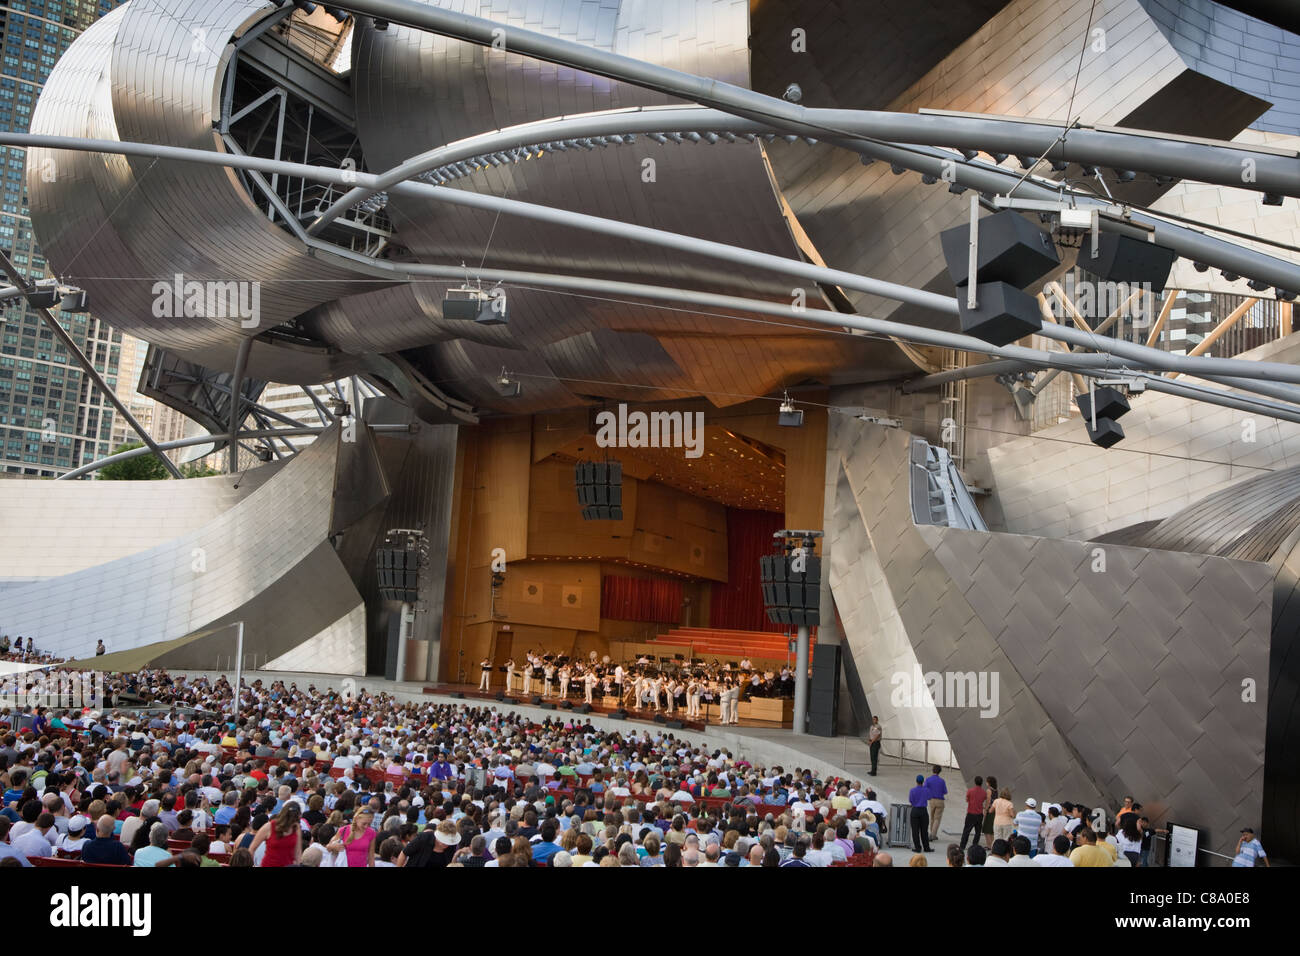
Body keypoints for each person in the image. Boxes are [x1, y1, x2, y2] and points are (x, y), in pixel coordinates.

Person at [251, 803, 303, 867]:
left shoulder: (296, 828)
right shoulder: (269, 826)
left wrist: (297, 864)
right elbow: (252, 848)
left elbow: (297, 852)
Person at [960, 775, 987, 851]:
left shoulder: (970, 791)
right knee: (977, 832)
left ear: (975, 782)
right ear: (982, 783)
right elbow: (984, 799)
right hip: (979, 814)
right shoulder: (984, 792)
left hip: (971, 813)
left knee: (966, 831)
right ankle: (974, 845)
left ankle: (962, 846)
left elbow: (967, 799)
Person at [908, 774, 931, 854]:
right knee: (924, 831)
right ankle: (926, 847)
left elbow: (911, 800)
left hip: (915, 810)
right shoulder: (926, 790)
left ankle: (917, 847)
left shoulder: (912, 790)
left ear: (916, 781)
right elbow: (929, 798)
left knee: (915, 830)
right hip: (923, 811)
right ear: (923, 781)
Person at [925, 765, 947, 842]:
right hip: (940, 800)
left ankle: (931, 833)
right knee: (937, 818)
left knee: (932, 818)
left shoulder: (928, 780)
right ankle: (933, 834)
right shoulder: (942, 781)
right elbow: (945, 791)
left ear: (932, 770)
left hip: (931, 800)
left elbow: (925, 789)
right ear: (939, 772)